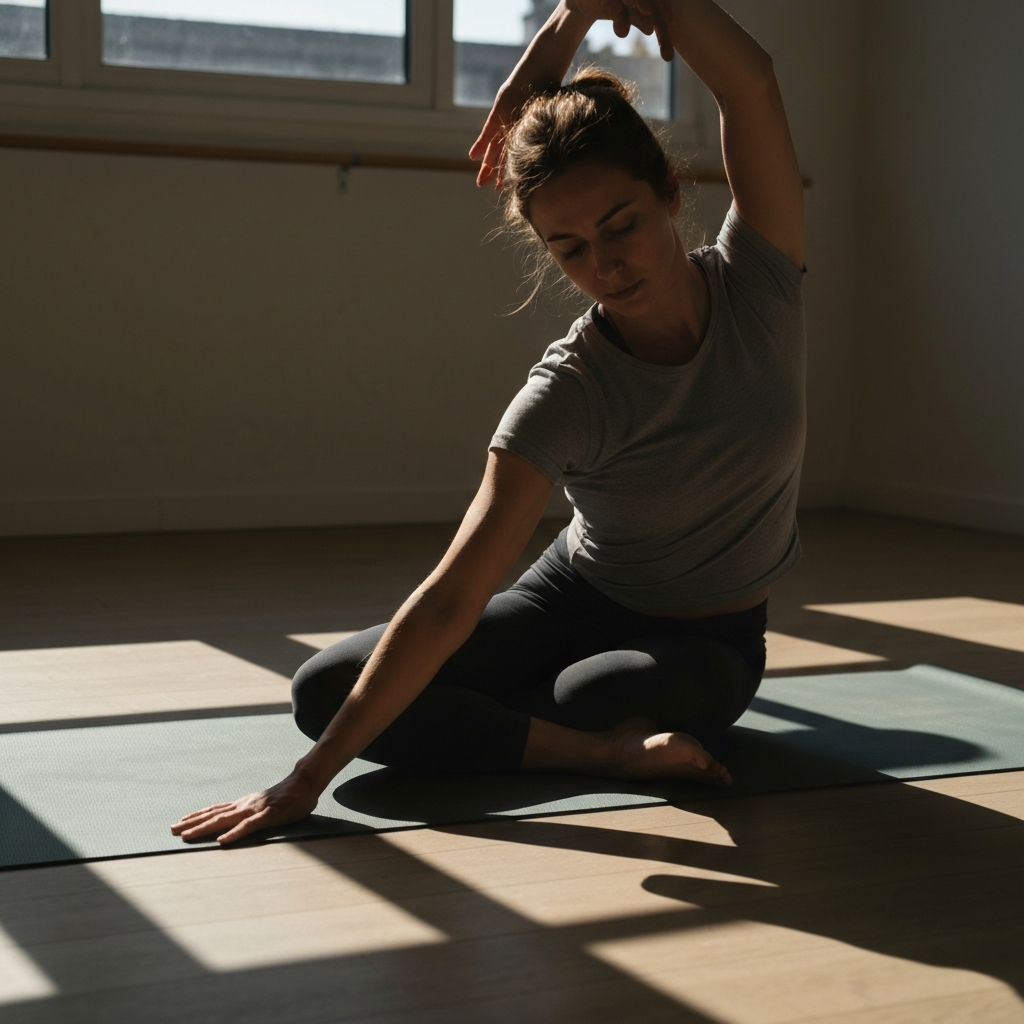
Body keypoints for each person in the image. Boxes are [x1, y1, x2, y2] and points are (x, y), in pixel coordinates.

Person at [172, 0, 805, 846]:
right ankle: (600, 757)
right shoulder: (569, 389)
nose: (605, 265)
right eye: (570, 248)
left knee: (586, 691)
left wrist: (597, 10)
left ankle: (558, 734)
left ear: (668, 192)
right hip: (574, 596)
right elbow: (452, 597)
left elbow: (752, 85)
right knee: (324, 692)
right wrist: (306, 780)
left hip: (711, 636)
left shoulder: (757, 279)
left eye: (621, 226)